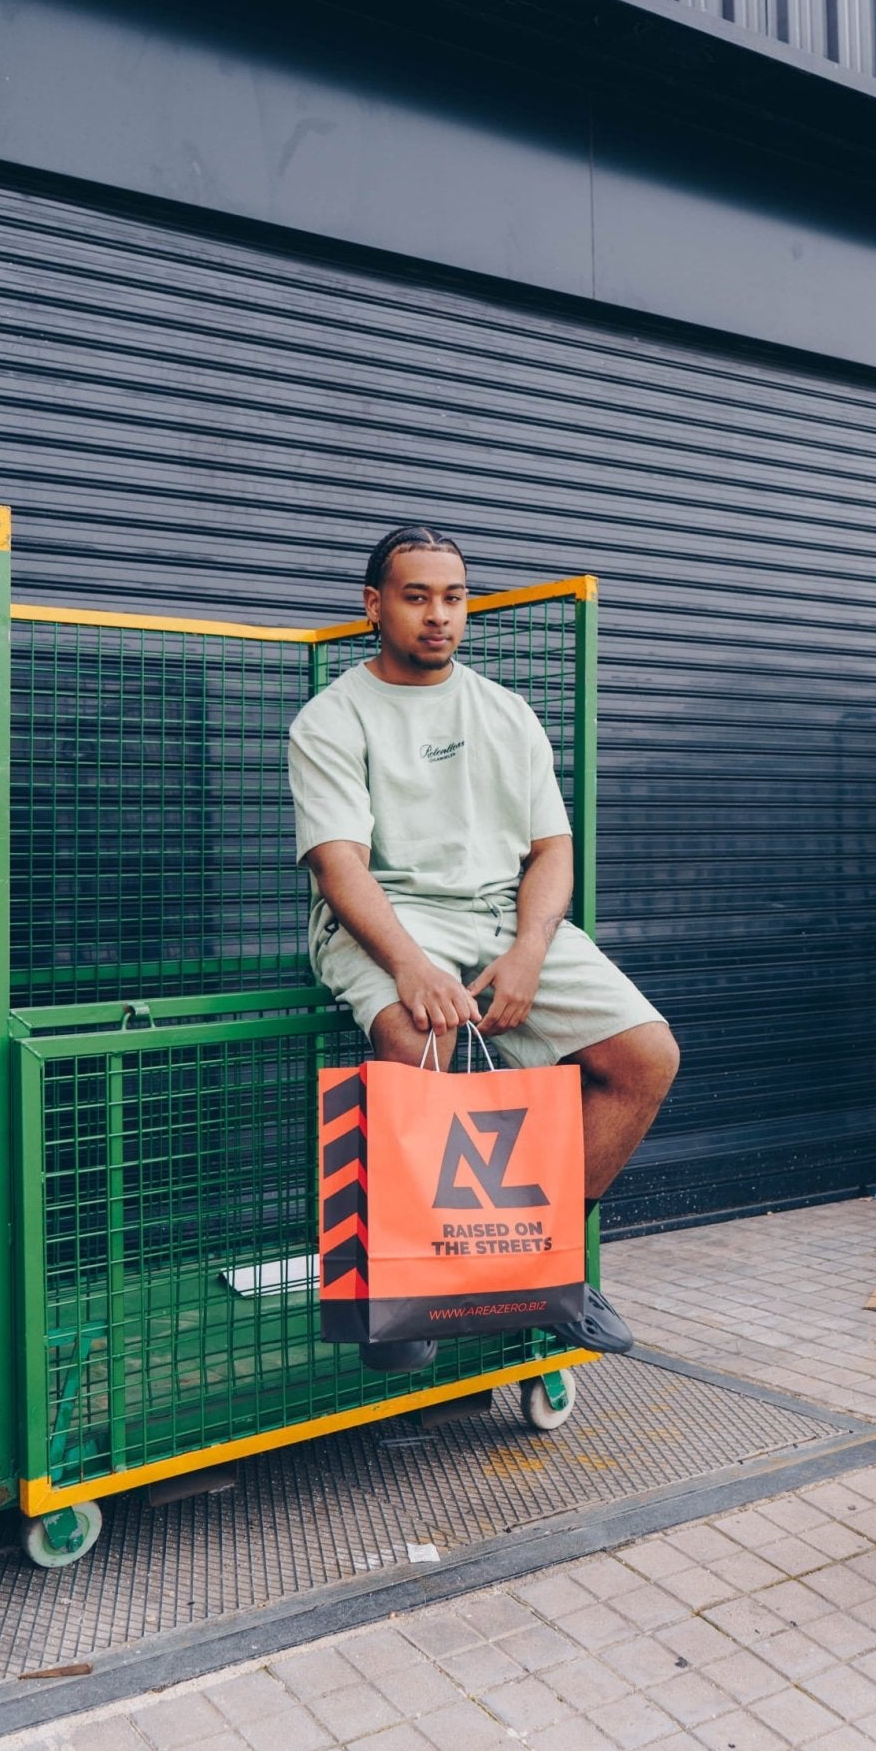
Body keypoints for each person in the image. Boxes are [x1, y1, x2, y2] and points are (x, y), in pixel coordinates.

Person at [288, 524, 680, 1373]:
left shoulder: (505, 712)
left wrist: (532, 946)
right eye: (417, 596)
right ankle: (408, 1289)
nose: (439, 616)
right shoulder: (331, 718)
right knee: (415, 1035)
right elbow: (337, 864)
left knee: (647, 1056)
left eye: (454, 597)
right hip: (385, 918)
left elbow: (552, 850)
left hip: (502, 916)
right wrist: (411, 966)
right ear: (374, 605)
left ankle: (538, 1267)